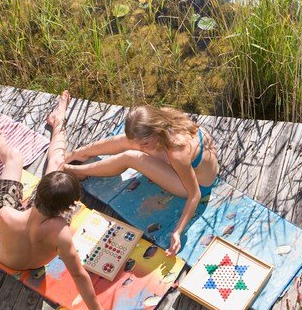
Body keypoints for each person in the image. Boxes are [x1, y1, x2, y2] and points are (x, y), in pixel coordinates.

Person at [0, 91, 117, 310]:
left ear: (38, 193)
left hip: (5, 249)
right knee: (56, 162)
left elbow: (0, 234)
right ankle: (59, 122)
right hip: (33, 254)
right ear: (68, 207)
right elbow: (78, 274)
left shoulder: (6, 215)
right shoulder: (60, 232)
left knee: (14, 158)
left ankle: (49, 125)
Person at [63, 104, 219, 257]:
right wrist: (139, 144)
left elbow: (195, 195)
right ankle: (78, 153)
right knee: (129, 143)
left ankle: (75, 171)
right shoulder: (160, 118)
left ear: (157, 131)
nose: (141, 147)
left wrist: (177, 232)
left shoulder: (177, 153)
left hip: (196, 185)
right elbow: (134, 141)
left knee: (131, 156)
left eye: (144, 143)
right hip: (192, 165)